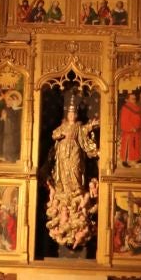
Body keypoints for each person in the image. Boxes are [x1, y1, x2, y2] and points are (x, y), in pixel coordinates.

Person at [45, 96, 100, 250]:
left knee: (75, 171)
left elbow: (84, 133)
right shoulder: (62, 126)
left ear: (76, 115)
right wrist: (59, 136)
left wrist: (92, 125)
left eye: (74, 113)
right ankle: (65, 190)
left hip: (75, 152)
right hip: (62, 154)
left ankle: (75, 190)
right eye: (69, 113)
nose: (72, 115)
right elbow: (54, 134)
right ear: (67, 115)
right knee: (63, 173)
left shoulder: (78, 126)